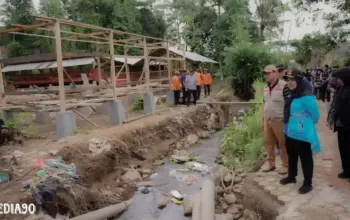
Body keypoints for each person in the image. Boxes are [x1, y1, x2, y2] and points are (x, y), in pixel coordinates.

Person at [280, 69, 321, 194]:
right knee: (291, 154)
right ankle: (292, 176)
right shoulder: (290, 94)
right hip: (290, 130)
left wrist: (303, 123)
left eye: (293, 80)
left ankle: (308, 183)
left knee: (305, 157)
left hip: (302, 133)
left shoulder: (307, 96)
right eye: (288, 80)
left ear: (299, 81)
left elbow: (315, 116)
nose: (290, 83)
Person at [261, 65, 289, 175]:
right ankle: (271, 164)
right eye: (265, 73)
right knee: (268, 143)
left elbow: (289, 104)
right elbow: (265, 103)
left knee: (283, 144)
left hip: (280, 120)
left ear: (275, 73)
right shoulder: (266, 87)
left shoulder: (284, 86)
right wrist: (262, 119)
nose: (266, 75)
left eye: (268, 73)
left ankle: (285, 165)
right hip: (267, 120)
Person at [327, 68, 350, 180]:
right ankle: (346, 170)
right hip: (341, 125)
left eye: (340, 78)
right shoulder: (341, 88)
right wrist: (332, 119)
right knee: (343, 148)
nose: (338, 80)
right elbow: (336, 105)